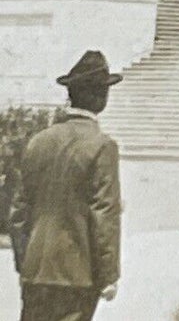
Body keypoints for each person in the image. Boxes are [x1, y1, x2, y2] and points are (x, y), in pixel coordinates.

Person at [8, 49, 123, 321]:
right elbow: (104, 213)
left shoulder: (38, 142)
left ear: (70, 95)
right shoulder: (102, 146)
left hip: (35, 272)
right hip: (77, 275)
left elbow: (18, 212)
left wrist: (26, 261)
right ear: (101, 97)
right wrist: (108, 275)